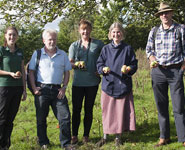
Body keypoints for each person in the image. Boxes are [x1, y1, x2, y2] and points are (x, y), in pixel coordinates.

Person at [146, 2, 185, 147]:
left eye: (167, 12)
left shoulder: (180, 29)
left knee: (179, 106)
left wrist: (182, 69)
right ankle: (164, 137)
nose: (164, 15)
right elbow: (149, 50)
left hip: (175, 71)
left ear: (171, 13)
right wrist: (152, 60)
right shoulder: (154, 31)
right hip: (158, 72)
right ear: (159, 16)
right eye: (162, 13)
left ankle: (183, 137)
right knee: (161, 105)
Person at [29, 29, 73, 150]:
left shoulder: (63, 54)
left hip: (58, 90)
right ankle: (43, 142)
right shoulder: (37, 53)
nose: (52, 41)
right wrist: (34, 88)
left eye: (54, 39)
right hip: (42, 90)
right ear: (44, 40)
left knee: (65, 117)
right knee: (41, 118)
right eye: (49, 39)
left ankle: (66, 143)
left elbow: (67, 72)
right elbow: (31, 72)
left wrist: (64, 87)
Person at [96, 22, 138, 147]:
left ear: (122, 33)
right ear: (110, 34)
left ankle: (118, 137)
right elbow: (99, 63)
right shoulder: (105, 49)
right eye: (113, 32)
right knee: (107, 112)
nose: (116, 34)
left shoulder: (127, 49)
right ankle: (105, 136)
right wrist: (103, 69)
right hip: (109, 84)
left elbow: (134, 64)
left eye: (118, 31)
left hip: (123, 84)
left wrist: (129, 68)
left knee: (119, 112)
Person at [68, 19, 104, 144]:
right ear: (79, 30)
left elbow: (105, 58)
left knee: (89, 109)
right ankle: (74, 135)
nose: (85, 31)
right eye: (83, 29)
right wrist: (76, 64)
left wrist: (100, 70)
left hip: (92, 83)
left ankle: (86, 135)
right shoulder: (74, 46)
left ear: (91, 30)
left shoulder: (98, 44)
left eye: (87, 29)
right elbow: (70, 63)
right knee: (76, 109)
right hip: (77, 83)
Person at [0, 26, 27, 150]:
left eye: (14, 35)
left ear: (17, 37)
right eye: (10, 35)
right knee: (2, 118)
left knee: (11, 118)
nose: (12, 37)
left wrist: (25, 90)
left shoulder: (20, 51)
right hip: (4, 88)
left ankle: (6, 144)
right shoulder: (1, 50)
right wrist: (9, 73)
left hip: (17, 88)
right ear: (5, 36)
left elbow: (23, 70)